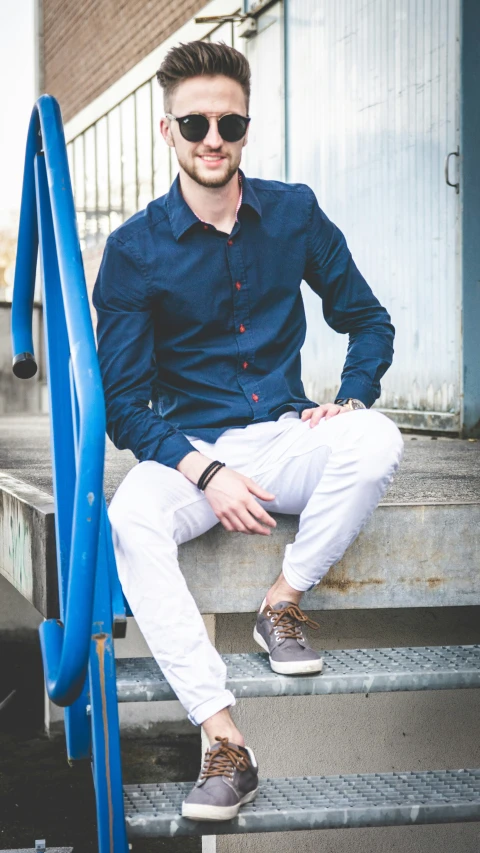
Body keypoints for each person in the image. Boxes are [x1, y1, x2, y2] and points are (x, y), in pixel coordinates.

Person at [93, 40, 404, 822]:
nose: (212, 138)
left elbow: (367, 319)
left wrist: (354, 396)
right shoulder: (133, 251)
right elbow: (125, 404)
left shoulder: (293, 210)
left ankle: (282, 600)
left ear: (245, 127)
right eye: (193, 121)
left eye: (228, 123)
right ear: (168, 130)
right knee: (130, 517)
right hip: (190, 449)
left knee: (378, 441)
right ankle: (225, 737)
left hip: (285, 431)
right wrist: (204, 473)